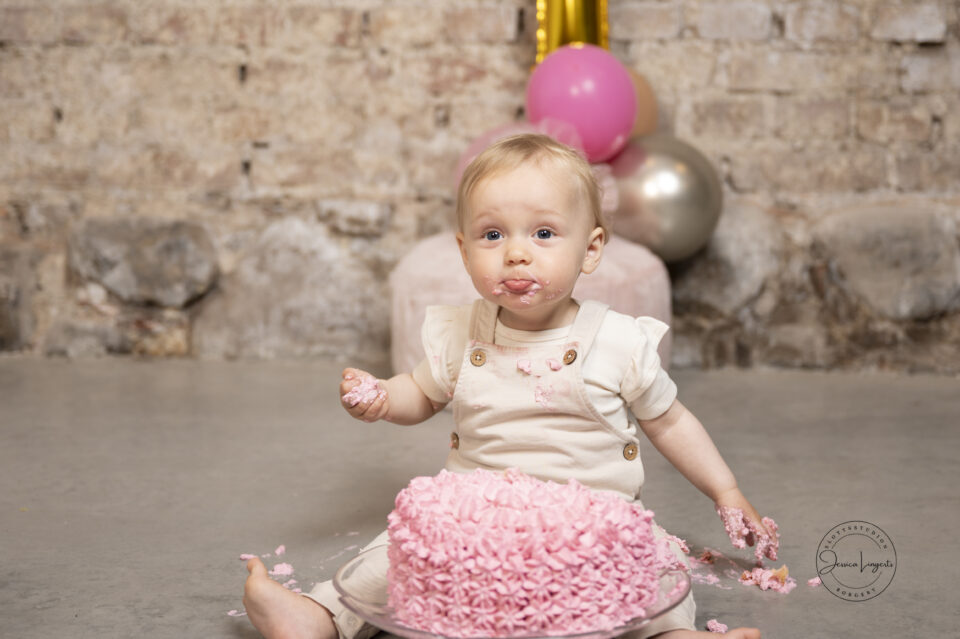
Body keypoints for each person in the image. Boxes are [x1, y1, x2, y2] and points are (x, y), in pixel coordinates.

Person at [243, 133, 772, 639]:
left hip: (594, 523)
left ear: (590, 250)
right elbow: (421, 393)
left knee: (652, 566)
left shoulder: (616, 341)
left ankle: (672, 633)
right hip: (477, 521)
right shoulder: (461, 332)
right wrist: (384, 398)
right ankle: (320, 616)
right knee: (396, 556)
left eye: (543, 233)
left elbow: (670, 422)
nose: (516, 253)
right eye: (493, 235)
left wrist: (725, 490)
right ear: (464, 249)